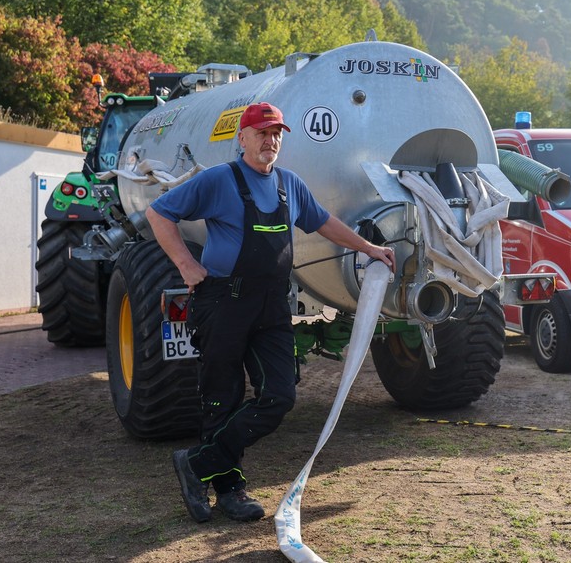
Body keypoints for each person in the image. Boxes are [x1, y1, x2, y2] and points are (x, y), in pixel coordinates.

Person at [145, 102, 395, 523]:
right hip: (223, 302)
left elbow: (323, 222)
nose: (270, 140)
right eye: (262, 133)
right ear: (241, 138)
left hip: (271, 306)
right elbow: (159, 212)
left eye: (276, 133)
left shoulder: (289, 184)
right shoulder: (219, 180)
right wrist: (187, 266)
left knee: (279, 397)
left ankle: (197, 465)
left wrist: (368, 248)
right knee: (220, 399)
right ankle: (230, 490)